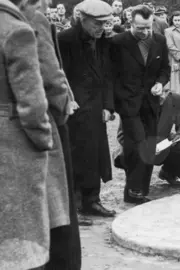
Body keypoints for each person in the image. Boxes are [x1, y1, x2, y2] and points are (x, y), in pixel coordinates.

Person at [0, 0, 53, 268]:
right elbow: (32, 104)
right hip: (12, 143)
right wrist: (44, 140)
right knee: (21, 236)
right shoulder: (15, 31)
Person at [31, 0, 83, 265]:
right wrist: (62, 111)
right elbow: (52, 79)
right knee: (57, 203)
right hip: (42, 122)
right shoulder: (32, 19)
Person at [58, 0, 117, 218]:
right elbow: (58, 75)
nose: (102, 28)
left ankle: (92, 200)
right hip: (73, 109)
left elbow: (108, 75)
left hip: (95, 109)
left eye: (105, 23)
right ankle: (74, 207)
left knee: (95, 155)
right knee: (75, 156)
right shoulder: (64, 40)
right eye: (97, 23)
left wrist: (109, 106)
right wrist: (66, 102)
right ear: (83, 20)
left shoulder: (103, 41)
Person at [111, 5, 170, 204]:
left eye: (148, 27)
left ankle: (141, 189)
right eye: (140, 28)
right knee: (135, 146)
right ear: (130, 24)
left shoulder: (159, 41)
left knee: (149, 146)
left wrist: (160, 83)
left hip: (151, 104)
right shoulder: (118, 42)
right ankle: (133, 190)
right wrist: (117, 101)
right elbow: (111, 75)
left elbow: (165, 69)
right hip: (128, 105)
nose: (145, 32)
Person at [113, 92, 180, 189]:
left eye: (165, 91)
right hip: (139, 147)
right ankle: (133, 177)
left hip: (163, 144)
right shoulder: (134, 101)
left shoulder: (174, 99)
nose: (162, 95)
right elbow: (122, 136)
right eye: (157, 91)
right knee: (139, 185)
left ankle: (169, 172)